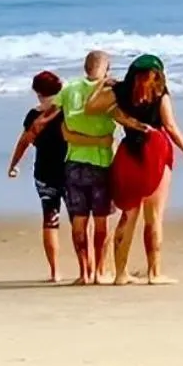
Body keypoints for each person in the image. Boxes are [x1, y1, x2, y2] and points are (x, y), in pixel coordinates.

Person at [106, 54, 183, 286]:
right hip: (154, 151)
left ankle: (120, 274)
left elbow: (98, 107)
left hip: (128, 153)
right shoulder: (160, 95)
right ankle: (154, 273)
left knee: (128, 215)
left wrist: (125, 117)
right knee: (154, 216)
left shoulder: (120, 93)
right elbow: (170, 126)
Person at [55, 50, 119, 285]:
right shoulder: (109, 90)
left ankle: (84, 272)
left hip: (73, 162)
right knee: (101, 221)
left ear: (85, 67)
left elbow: (56, 118)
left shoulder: (68, 89)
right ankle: (100, 271)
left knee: (79, 221)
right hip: (101, 162)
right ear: (107, 68)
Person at [6, 70, 67, 282]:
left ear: (37, 91)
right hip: (70, 169)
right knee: (81, 219)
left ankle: (55, 272)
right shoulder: (68, 110)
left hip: (44, 172)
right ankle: (88, 269)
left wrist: (13, 165)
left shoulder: (34, 116)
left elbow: (24, 142)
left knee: (50, 220)